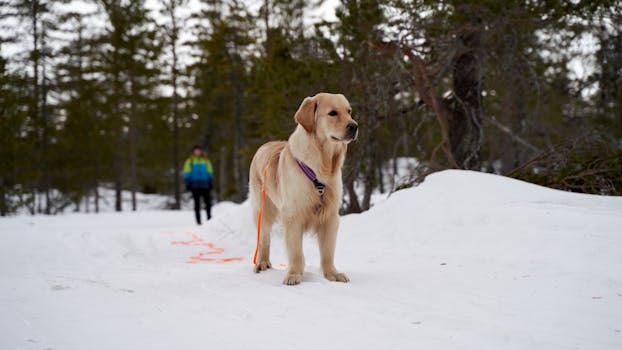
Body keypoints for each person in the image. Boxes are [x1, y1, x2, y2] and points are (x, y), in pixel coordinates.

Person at [183, 145, 214, 225]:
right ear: (193, 152)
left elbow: (210, 172)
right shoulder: (190, 161)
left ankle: (209, 219)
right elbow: (187, 173)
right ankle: (198, 221)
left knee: (208, 203)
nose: (197, 152)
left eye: (198, 150)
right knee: (197, 204)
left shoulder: (206, 160)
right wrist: (187, 183)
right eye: (196, 150)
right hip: (195, 185)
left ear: (201, 151)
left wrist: (210, 182)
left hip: (205, 184)